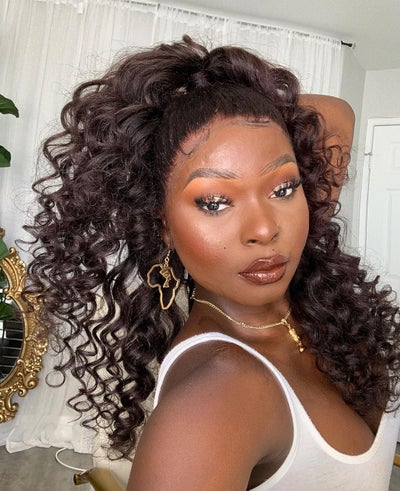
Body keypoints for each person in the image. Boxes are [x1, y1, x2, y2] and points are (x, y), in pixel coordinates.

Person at [25, 36, 400, 490]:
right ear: (162, 224)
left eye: (283, 188)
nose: (264, 228)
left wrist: (211, 92)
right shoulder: (214, 399)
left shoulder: (314, 310)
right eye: (215, 202)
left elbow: (336, 114)